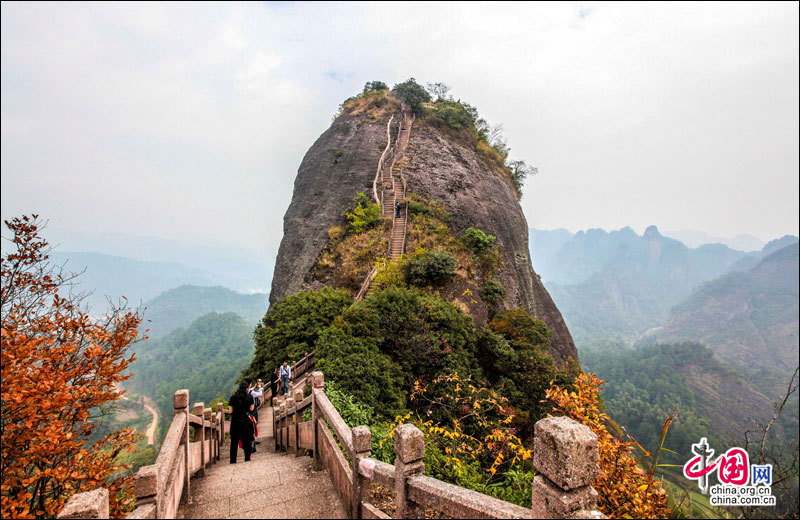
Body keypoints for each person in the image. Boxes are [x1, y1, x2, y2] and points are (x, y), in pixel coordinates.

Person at [229, 381, 255, 463]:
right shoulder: (249, 397)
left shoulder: (233, 398)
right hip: (245, 421)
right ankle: (247, 457)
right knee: (246, 440)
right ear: (247, 389)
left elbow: (230, 411)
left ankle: (233, 459)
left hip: (235, 421)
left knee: (234, 441)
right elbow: (251, 409)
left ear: (239, 388)